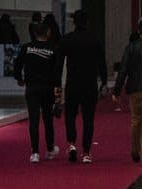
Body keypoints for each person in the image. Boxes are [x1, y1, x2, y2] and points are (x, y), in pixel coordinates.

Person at [59, 9, 108, 164]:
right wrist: (104, 82)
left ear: (74, 22)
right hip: (89, 84)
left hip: (73, 83)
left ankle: (72, 144)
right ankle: (86, 152)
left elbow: (59, 63)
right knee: (88, 119)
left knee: (70, 116)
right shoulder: (94, 40)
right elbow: (102, 63)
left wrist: (56, 83)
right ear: (87, 22)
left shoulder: (67, 39)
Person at [14, 19, 62, 163]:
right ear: (48, 33)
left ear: (34, 33)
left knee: (33, 120)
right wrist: (58, 95)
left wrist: (19, 78)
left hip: (32, 88)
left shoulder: (26, 48)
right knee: (48, 119)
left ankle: (34, 153)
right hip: (47, 89)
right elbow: (57, 73)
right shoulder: (53, 49)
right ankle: (50, 149)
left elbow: (17, 64)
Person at [114, 17, 142, 171]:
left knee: (136, 119)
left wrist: (116, 90)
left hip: (135, 89)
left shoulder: (131, 48)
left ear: (138, 31)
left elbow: (123, 69)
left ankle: (134, 149)